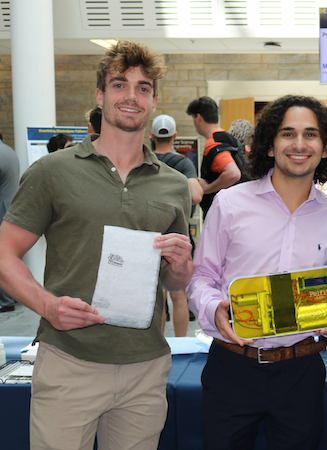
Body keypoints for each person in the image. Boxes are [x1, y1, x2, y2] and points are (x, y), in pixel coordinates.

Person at [0, 40, 192, 449]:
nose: (131, 96)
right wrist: (46, 304)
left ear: (155, 100)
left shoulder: (174, 185)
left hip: (145, 367)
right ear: (100, 94)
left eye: (143, 88)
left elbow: (176, 283)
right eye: (120, 84)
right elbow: (4, 252)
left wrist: (180, 264)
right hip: (70, 362)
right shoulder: (53, 172)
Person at [187, 95, 327, 450]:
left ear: (325, 149)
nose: (299, 144)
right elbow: (201, 278)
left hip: (301, 370)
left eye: (311, 135)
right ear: (271, 146)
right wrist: (215, 307)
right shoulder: (231, 204)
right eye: (287, 134)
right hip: (233, 365)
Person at [150, 114, 203, 337]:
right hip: (177, 234)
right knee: (178, 294)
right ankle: (181, 344)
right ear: (175, 136)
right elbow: (196, 195)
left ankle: (160, 343)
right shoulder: (182, 163)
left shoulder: (146, 161)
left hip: (149, 235)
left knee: (157, 297)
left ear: (151, 136)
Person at [186, 96, 242, 216]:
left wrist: (207, 188)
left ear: (198, 117)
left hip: (223, 215)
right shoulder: (230, 139)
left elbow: (233, 173)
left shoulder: (214, 143)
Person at [0, 131, 19, 313]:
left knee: (3, 256)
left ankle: (5, 300)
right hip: (9, 207)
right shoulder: (8, 150)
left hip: (2, 211)